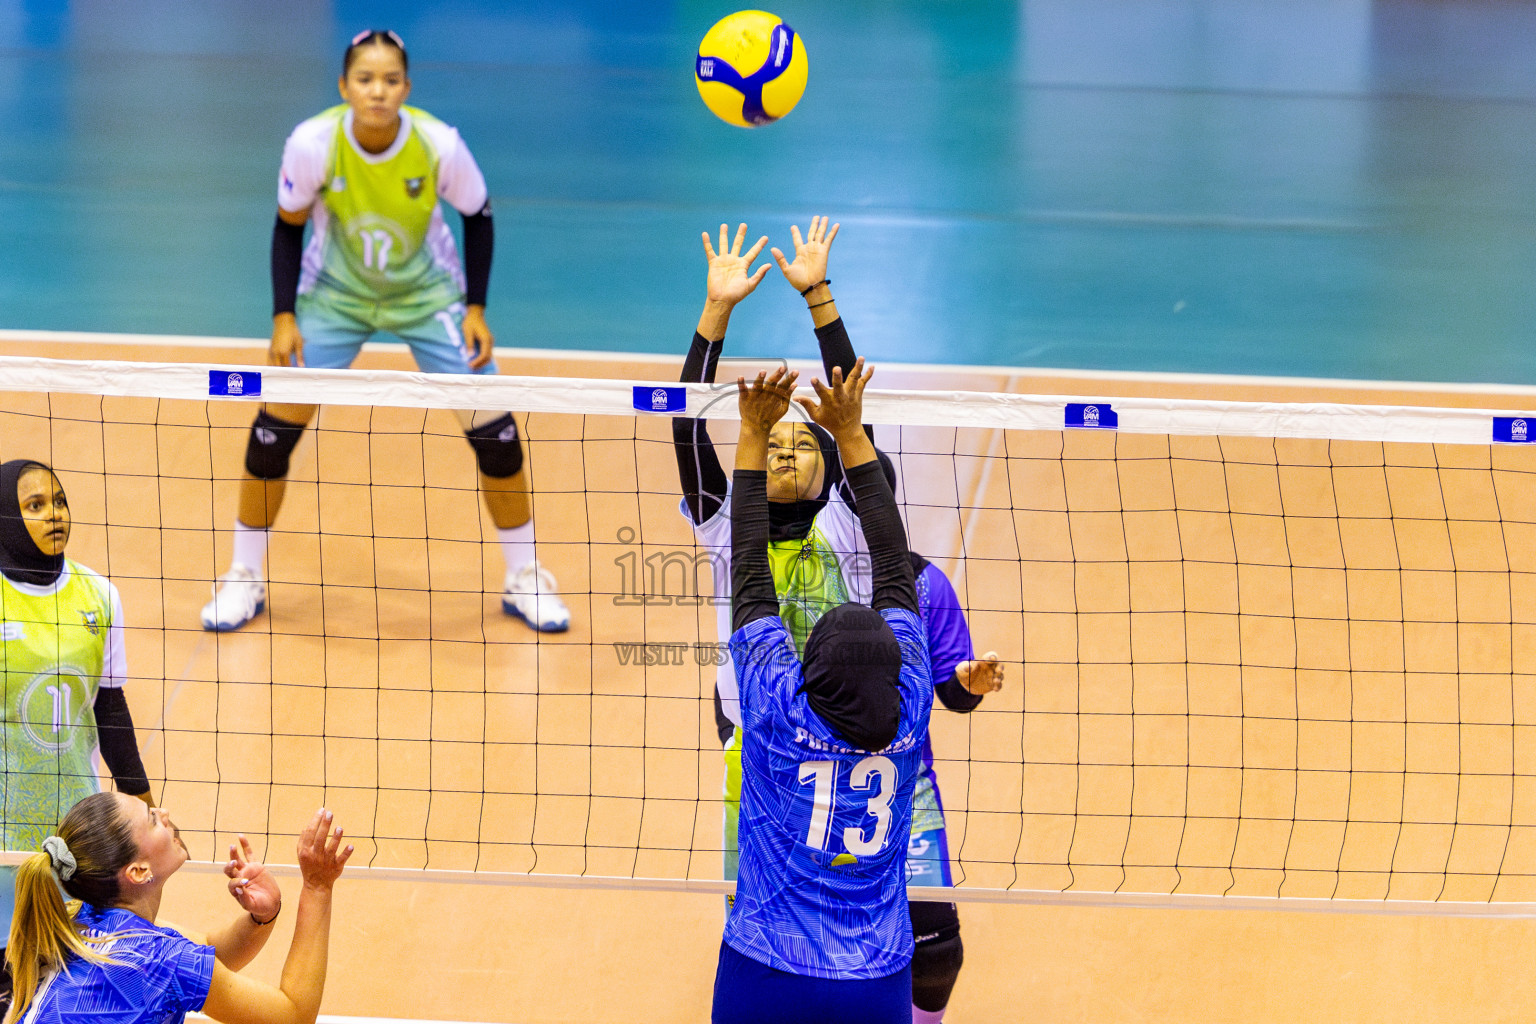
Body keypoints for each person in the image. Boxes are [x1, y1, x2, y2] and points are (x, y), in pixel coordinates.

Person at [200, 28, 567, 634]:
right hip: (335, 297)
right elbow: (288, 225)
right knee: (272, 433)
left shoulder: (437, 144)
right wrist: (283, 315)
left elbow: (477, 215)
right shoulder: (313, 143)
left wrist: (475, 308)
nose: (378, 91)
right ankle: (244, 576)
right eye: (365, 80)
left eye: (390, 80)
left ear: (407, 87)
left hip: (428, 297)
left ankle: (524, 577)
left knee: (497, 433)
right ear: (344, 86)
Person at [715, 360, 932, 1024]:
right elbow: (895, 568)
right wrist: (853, 434)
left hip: (765, 965)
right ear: (896, 668)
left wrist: (751, 435)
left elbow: (748, 572)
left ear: (809, 672)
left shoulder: (776, 711)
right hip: (877, 976)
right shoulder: (912, 707)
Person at [5, 796, 351, 1024]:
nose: (165, 813)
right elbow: (293, 1016)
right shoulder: (160, 960)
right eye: (153, 819)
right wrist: (317, 886)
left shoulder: (74, 918)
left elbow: (210, 952)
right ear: (138, 871)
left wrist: (262, 916)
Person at [0, 460, 152, 852]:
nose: (54, 514)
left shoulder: (99, 595)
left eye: (60, 502)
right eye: (35, 505)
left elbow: (111, 709)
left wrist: (145, 804)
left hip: (77, 828)